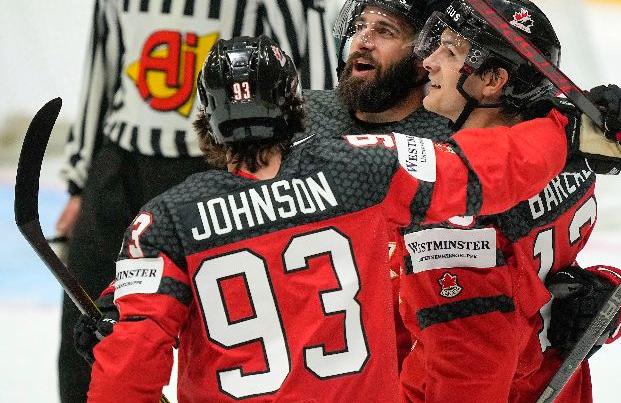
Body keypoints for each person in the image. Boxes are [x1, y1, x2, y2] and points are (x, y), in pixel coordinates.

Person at [84, 34, 574, 403]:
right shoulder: (361, 165)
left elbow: (127, 370)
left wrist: (116, 313)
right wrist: (560, 124)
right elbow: (489, 171)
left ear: (205, 119)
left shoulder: (164, 222)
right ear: (295, 107)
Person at [55, 0, 337, 402]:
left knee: (224, 345)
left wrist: (314, 171)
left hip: (217, 172)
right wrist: (79, 181)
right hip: (119, 169)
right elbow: (103, 60)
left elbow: (313, 75)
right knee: (87, 338)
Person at [397, 0, 621, 403]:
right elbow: (545, 282)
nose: (428, 60)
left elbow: (469, 364)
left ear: (492, 81)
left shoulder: (456, 214)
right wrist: (614, 300)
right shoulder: (569, 160)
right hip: (560, 389)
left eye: (448, 51)